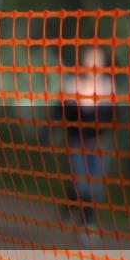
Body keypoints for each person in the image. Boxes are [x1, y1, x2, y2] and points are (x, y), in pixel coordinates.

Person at [42, 45, 115, 243]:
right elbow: (57, 114)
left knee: (94, 184)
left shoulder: (108, 87)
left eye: (96, 62)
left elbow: (114, 117)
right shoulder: (72, 85)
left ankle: (68, 209)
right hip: (76, 143)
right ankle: (86, 223)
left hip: (99, 145)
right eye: (89, 62)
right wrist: (47, 136)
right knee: (82, 182)